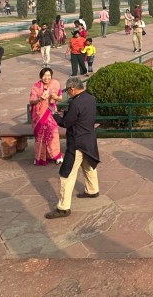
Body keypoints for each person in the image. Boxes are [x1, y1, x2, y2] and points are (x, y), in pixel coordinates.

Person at [46, 76, 100, 218]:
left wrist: (54, 115)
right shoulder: (90, 98)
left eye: (68, 91)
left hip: (77, 143)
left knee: (67, 174)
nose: (68, 93)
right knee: (88, 165)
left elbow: (66, 123)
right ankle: (92, 190)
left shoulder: (76, 103)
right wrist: (67, 113)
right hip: (89, 139)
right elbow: (81, 116)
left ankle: (63, 208)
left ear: (72, 89)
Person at [29, 68, 63, 165]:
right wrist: (40, 99)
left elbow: (60, 98)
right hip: (39, 116)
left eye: (48, 75)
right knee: (40, 136)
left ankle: (57, 156)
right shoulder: (36, 86)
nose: (46, 78)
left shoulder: (55, 84)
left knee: (53, 134)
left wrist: (56, 97)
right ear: (41, 76)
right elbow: (31, 100)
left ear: (51, 76)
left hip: (51, 113)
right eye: (44, 75)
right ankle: (40, 157)